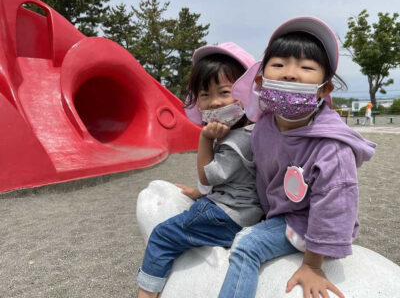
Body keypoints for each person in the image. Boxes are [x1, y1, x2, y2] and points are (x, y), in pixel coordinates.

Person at [219, 17, 376, 298]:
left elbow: (335, 207)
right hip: (274, 212)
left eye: (306, 68)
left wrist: (313, 265)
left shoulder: (332, 147)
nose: (290, 74)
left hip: (305, 222)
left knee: (246, 246)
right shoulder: (265, 125)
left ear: (324, 89)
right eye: (278, 65)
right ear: (261, 80)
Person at [136, 42, 264, 298]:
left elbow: (206, 175)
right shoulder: (252, 132)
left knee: (162, 235)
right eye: (205, 95)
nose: (215, 103)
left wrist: (205, 139)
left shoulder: (235, 141)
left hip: (228, 216)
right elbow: (235, 180)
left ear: (246, 94)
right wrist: (199, 193)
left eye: (225, 92)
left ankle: (147, 293)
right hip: (247, 210)